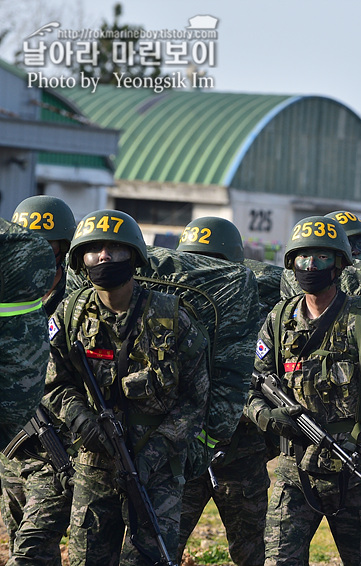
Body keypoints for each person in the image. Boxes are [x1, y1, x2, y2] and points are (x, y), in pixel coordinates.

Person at [42, 209, 210, 565]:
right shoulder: (70, 315)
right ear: (80, 260)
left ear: (133, 256)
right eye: (94, 250)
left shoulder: (173, 316)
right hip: (94, 462)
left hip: (157, 467)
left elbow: (196, 399)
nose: (103, 256)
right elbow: (54, 382)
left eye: (115, 249)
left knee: (148, 558)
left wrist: (153, 453)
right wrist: (82, 421)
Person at [246, 215, 361, 566]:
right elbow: (253, 384)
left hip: (357, 469)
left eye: (321, 258)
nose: (310, 266)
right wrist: (268, 417)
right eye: (303, 258)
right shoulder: (279, 320)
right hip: (294, 471)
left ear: (338, 265)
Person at [175, 216, 269, 566]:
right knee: (160, 544)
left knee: (250, 553)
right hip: (183, 449)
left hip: (240, 452)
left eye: (212, 266)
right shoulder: (167, 311)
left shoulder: (257, 308)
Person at [1, 195, 76, 566]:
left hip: (58, 454)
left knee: (29, 553)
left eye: (47, 248)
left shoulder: (77, 306)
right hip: (13, 453)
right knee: (24, 545)